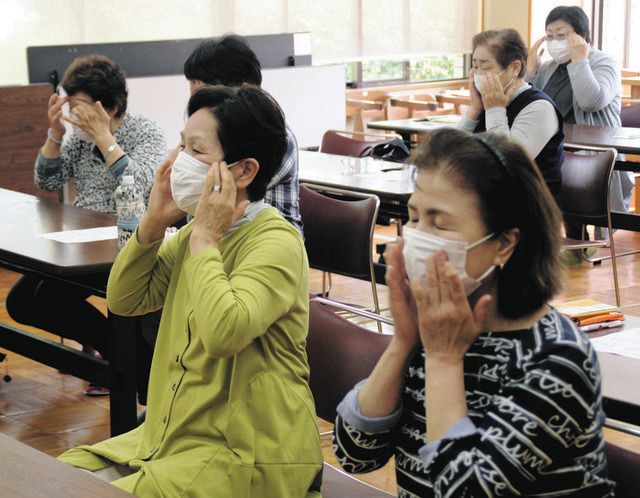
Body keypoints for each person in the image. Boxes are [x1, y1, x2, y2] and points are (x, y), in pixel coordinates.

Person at [58, 85, 323, 497]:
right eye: (181, 145)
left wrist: (204, 238)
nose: (179, 160)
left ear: (244, 172)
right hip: (173, 437)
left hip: (245, 452)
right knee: (53, 476)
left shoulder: (276, 242)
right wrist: (153, 221)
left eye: (196, 151)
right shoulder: (194, 235)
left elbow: (223, 333)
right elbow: (125, 300)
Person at [333, 128, 613, 497]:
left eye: (439, 223)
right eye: (414, 218)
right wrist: (403, 342)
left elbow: (465, 492)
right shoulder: (436, 325)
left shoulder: (556, 357)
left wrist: (443, 359)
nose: (418, 236)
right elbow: (355, 454)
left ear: (504, 244)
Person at [5, 55, 166, 395]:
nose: (72, 115)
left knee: (47, 297)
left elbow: (139, 183)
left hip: (125, 246)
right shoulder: (79, 139)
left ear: (107, 107)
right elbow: (47, 180)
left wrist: (105, 139)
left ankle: (131, 366)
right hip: (81, 244)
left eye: (77, 107)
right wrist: (54, 134)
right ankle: (120, 357)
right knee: (21, 301)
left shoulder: (144, 131)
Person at [526, 5, 629, 241]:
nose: (554, 42)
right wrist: (531, 71)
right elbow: (531, 107)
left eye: (561, 35)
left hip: (593, 155)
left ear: (582, 36)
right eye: (549, 36)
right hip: (555, 150)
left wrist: (580, 60)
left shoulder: (604, 63)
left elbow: (591, 101)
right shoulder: (549, 67)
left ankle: (575, 242)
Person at [183, 34, 302, 232]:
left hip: (267, 241)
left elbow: (210, 194)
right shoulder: (211, 137)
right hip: (222, 237)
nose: (198, 108)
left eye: (206, 96)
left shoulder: (274, 136)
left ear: (242, 91)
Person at [459, 28, 564, 199]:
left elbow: (507, 163)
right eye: (475, 66)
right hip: (483, 196)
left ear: (515, 68)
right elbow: (451, 152)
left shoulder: (539, 107)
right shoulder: (486, 101)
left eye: (485, 67)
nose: (477, 74)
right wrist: (475, 110)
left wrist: (495, 110)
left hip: (528, 202)